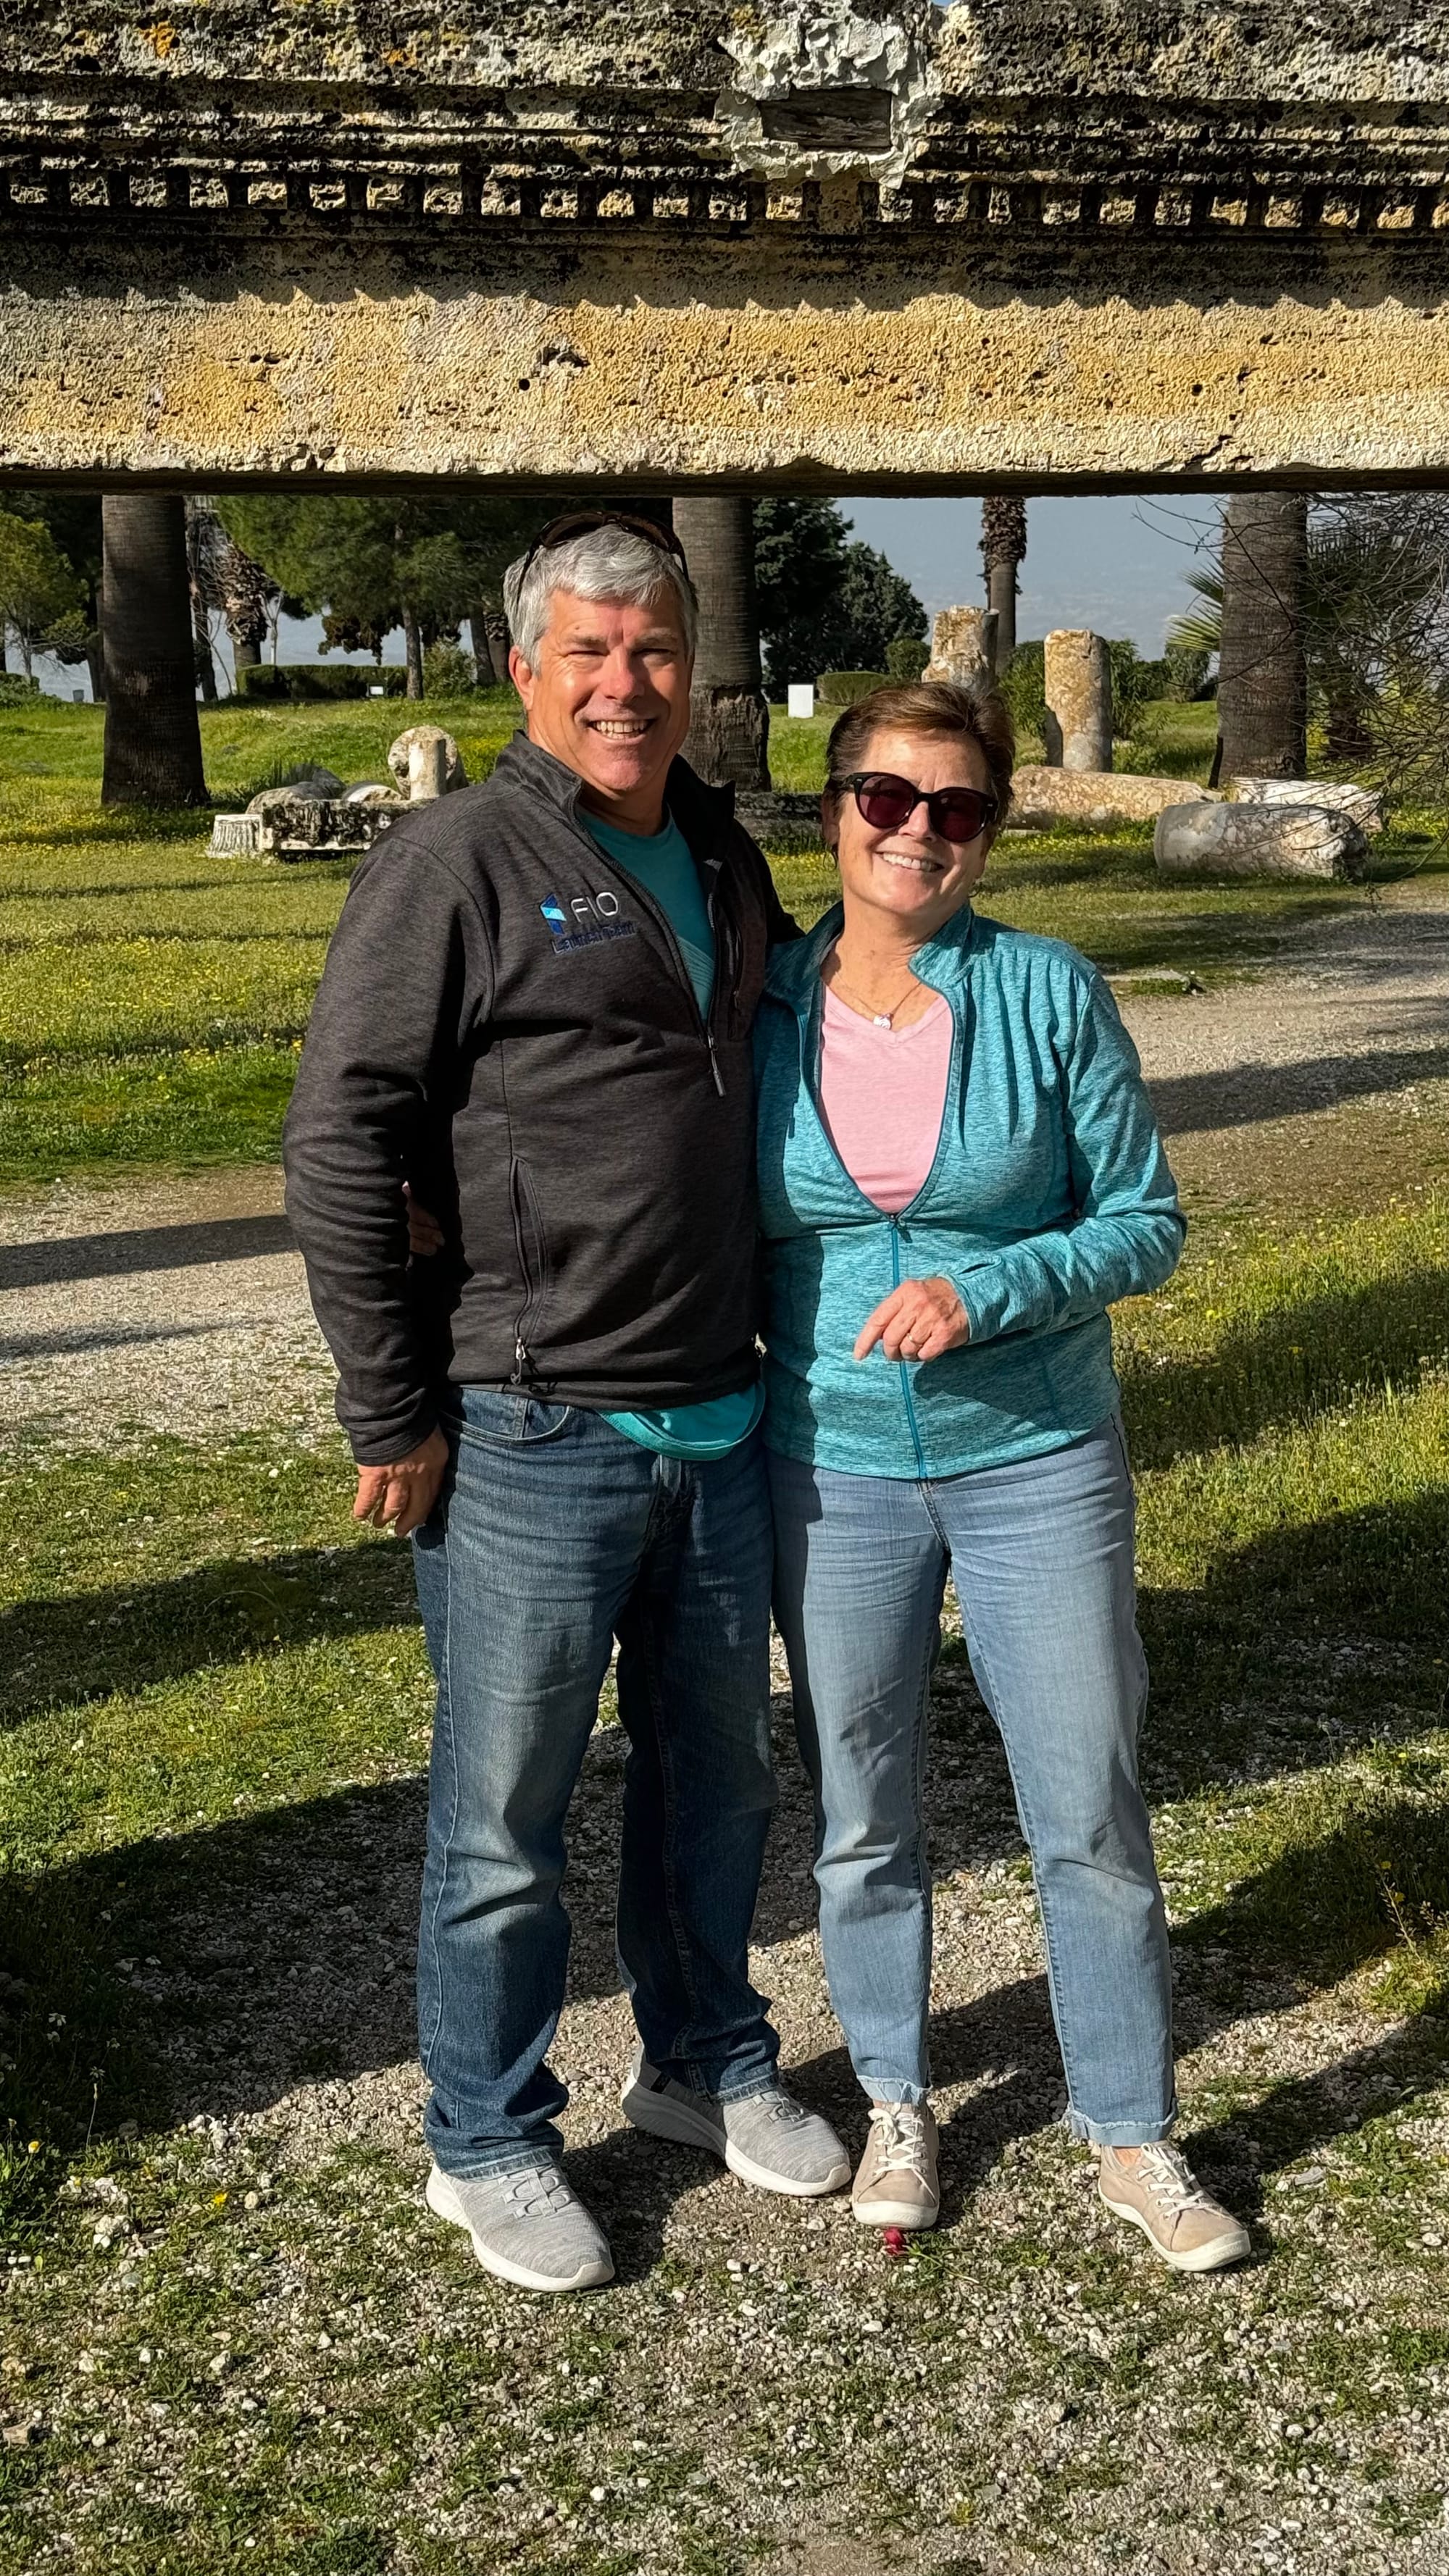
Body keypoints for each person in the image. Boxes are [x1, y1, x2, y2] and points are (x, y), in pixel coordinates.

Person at [283, 512, 848, 2298]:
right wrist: (391, 1403)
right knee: (501, 1817)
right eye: (589, 652)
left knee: (718, 1781)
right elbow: (341, 1133)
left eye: (653, 648)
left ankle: (703, 2059)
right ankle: (484, 2136)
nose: (625, 683)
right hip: (529, 1424)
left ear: (693, 665)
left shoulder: (719, 849)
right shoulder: (456, 857)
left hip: (718, 1411)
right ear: (524, 669)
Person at [753, 679, 1250, 2272]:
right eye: (888, 799)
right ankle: (896, 2098)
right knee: (859, 1806)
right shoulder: (760, 1005)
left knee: (1087, 1798)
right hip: (829, 1463)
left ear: (988, 834)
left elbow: (1145, 1221)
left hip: (1038, 1456)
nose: (918, 832)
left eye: (956, 808)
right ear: (835, 809)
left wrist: (993, 1288)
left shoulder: (1045, 990)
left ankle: (1130, 2128)